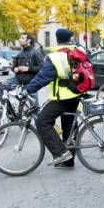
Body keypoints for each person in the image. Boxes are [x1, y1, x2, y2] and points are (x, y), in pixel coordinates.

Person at [24, 28, 85, 169]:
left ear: (57, 39)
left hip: (62, 97)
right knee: (69, 128)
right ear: (70, 39)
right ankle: (69, 162)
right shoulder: (79, 51)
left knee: (42, 122)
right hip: (76, 94)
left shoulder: (56, 56)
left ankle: (61, 153)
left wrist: (27, 90)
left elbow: (43, 77)